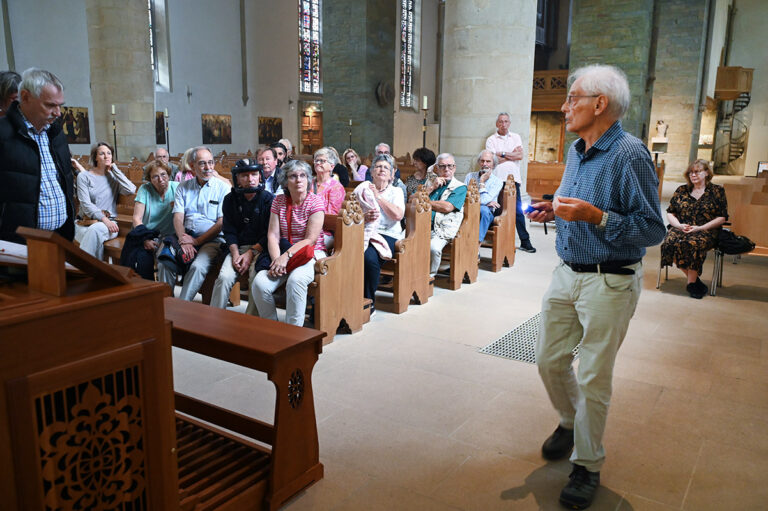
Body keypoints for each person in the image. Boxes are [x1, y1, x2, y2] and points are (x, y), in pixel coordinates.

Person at [527, 64, 665, 510]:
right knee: (548, 359)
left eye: (573, 98)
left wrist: (597, 218)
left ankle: (587, 464)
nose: (565, 106)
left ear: (599, 104)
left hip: (611, 279)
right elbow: (578, 204)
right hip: (568, 271)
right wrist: (556, 209)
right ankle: (569, 422)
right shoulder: (577, 150)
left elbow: (652, 231)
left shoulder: (630, 154)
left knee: (592, 375)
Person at [0, 68, 74, 244]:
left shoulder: (56, 133)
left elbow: (64, 180)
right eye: (50, 105)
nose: (58, 112)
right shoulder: (3, 134)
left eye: (60, 105)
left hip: (60, 236)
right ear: (25, 97)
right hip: (20, 241)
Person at [250, 160, 326, 326]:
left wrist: (286, 256)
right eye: (293, 176)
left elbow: (310, 239)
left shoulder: (315, 202)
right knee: (260, 283)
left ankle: (293, 331)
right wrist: (278, 260)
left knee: (295, 280)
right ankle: (272, 327)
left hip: (311, 252)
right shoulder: (278, 201)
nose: (299, 180)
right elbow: (273, 235)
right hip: (283, 251)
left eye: (303, 176)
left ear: (308, 180)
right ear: (285, 181)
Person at [158, 146, 229, 300]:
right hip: (185, 235)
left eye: (211, 163)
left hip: (212, 240)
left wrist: (196, 241)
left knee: (198, 266)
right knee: (164, 260)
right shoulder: (183, 187)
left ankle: (183, 305)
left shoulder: (223, 188)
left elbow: (220, 223)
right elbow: (178, 217)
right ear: (192, 166)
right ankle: (165, 302)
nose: (208, 168)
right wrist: (184, 240)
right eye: (202, 163)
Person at [210, 159, 273, 309]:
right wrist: (236, 254)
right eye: (244, 175)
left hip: (261, 249)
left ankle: (251, 321)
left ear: (259, 176)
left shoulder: (268, 199)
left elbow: (269, 234)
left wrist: (251, 253)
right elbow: (229, 230)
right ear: (237, 178)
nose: (250, 179)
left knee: (255, 278)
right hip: (237, 248)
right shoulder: (229, 199)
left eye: (254, 174)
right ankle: (214, 319)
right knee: (224, 277)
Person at [660, 159, 727, 299]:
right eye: (690, 172)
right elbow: (670, 212)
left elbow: (722, 217)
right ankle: (695, 281)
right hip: (682, 227)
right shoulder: (682, 190)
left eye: (697, 172)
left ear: (707, 173)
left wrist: (700, 228)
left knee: (693, 244)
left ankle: (691, 283)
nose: (693, 175)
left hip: (705, 229)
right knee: (669, 243)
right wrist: (679, 225)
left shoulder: (717, 191)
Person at [72, 142, 136, 260]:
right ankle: (96, 272)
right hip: (85, 223)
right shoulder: (84, 177)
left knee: (95, 231)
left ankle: (83, 270)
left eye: (109, 153)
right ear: (95, 157)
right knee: (94, 237)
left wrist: (115, 169)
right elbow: (86, 205)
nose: (106, 156)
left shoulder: (113, 178)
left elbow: (131, 189)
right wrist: (104, 219)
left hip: (109, 226)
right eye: (102, 153)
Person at [358, 154, 404, 314]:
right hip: (365, 231)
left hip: (388, 234)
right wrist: (364, 217)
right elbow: (355, 214)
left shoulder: (396, 191)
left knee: (369, 257)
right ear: (372, 172)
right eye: (378, 166)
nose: (381, 169)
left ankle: (368, 301)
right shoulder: (363, 189)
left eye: (386, 167)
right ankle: (347, 296)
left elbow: (398, 215)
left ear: (392, 174)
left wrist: (378, 198)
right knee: (347, 252)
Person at [486, 112, 536, 253]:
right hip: (496, 179)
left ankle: (525, 242)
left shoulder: (516, 137)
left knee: (517, 210)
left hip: (513, 179)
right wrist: (509, 155)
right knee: (495, 208)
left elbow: (519, 155)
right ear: (497, 124)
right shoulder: (491, 139)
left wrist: (500, 154)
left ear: (509, 123)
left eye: (506, 121)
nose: (503, 124)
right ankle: (493, 239)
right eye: (501, 121)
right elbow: (492, 161)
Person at [124, 160, 179, 279]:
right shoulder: (145, 189)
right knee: (143, 259)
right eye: (155, 176)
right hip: (146, 234)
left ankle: (166, 293)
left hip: (169, 236)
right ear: (149, 179)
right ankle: (148, 291)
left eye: (163, 174)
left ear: (169, 174)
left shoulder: (177, 188)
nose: (160, 179)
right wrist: (145, 239)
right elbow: (137, 218)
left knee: (165, 259)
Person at [426, 153, 467, 277]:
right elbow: (412, 200)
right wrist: (431, 187)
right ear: (436, 168)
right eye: (442, 166)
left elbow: (447, 207)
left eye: (450, 166)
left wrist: (424, 202)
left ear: (454, 168)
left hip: (441, 229)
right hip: (420, 225)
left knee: (434, 248)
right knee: (400, 242)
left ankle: (429, 277)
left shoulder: (460, 187)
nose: (446, 169)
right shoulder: (430, 183)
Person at [465, 150, 503, 243]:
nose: (484, 164)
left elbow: (485, 200)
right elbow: (463, 195)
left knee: (484, 210)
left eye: (488, 161)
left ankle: (477, 245)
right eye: (482, 161)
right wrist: (486, 202)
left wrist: (481, 182)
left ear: (493, 164)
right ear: (479, 162)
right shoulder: (470, 176)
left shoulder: (497, 181)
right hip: (469, 208)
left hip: (487, 214)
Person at [312, 147, 347, 249]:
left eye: (322, 161)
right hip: (302, 226)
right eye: (316, 160)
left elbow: (331, 217)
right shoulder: (308, 183)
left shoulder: (336, 187)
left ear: (331, 166)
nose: (318, 163)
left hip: (325, 231)